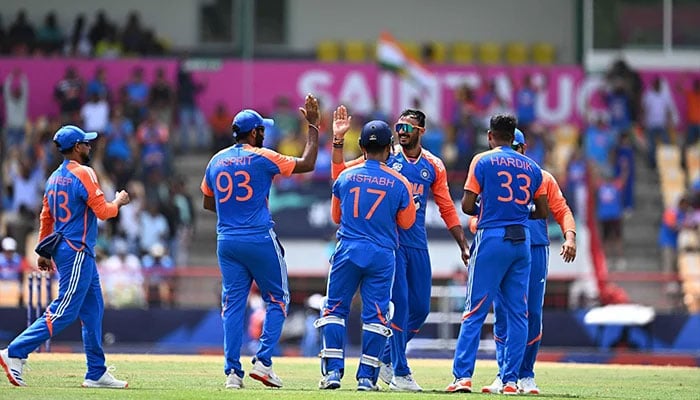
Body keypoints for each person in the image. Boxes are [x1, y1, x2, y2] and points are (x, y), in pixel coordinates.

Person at [331, 106, 468, 391]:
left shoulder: (433, 165)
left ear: (421, 132)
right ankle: (400, 372)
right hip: (391, 244)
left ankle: (384, 357)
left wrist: (462, 243)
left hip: (417, 242)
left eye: (407, 128)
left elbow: (445, 206)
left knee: (420, 308)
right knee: (401, 308)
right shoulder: (384, 156)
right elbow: (342, 174)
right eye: (398, 127)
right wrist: (338, 143)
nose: (401, 133)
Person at [200, 94, 320, 389]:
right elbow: (307, 164)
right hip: (257, 237)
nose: (265, 134)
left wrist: (233, 211)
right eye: (262, 130)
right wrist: (314, 126)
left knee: (233, 306)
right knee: (278, 298)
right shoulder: (263, 157)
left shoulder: (216, 160)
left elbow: (207, 202)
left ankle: (232, 373)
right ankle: (264, 362)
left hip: (226, 239)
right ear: (254, 133)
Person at [0, 125, 131, 388]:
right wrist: (118, 202)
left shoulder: (53, 178)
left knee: (93, 309)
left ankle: (96, 372)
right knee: (65, 310)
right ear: (76, 148)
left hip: (68, 249)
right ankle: (15, 351)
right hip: (77, 250)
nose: (90, 146)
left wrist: (43, 250)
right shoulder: (84, 173)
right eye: (86, 143)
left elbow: (46, 217)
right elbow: (104, 212)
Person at [447, 114, 548, 394]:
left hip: (492, 237)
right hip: (522, 240)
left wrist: (488, 206)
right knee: (519, 314)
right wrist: (520, 209)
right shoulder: (532, 167)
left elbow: (467, 206)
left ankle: (463, 377)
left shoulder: (482, 160)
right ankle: (511, 381)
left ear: (490, 136)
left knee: (475, 310)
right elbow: (542, 211)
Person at [318, 120, 416, 391]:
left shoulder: (345, 177)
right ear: (389, 149)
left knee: (335, 310)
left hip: (348, 250)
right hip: (382, 255)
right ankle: (366, 379)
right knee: (376, 316)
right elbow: (407, 223)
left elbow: (336, 217)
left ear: (361, 147)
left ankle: (332, 374)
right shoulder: (400, 182)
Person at [477, 129, 576, 395]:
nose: (514, 152)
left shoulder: (541, 176)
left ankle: (526, 374)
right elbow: (479, 210)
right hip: (506, 246)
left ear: (523, 147)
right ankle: (504, 374)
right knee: (503, 314)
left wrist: (570, 237)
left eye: (518, 147)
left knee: (531, 312)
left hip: (535, 248)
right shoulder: (495, 175)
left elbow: (562, 209)